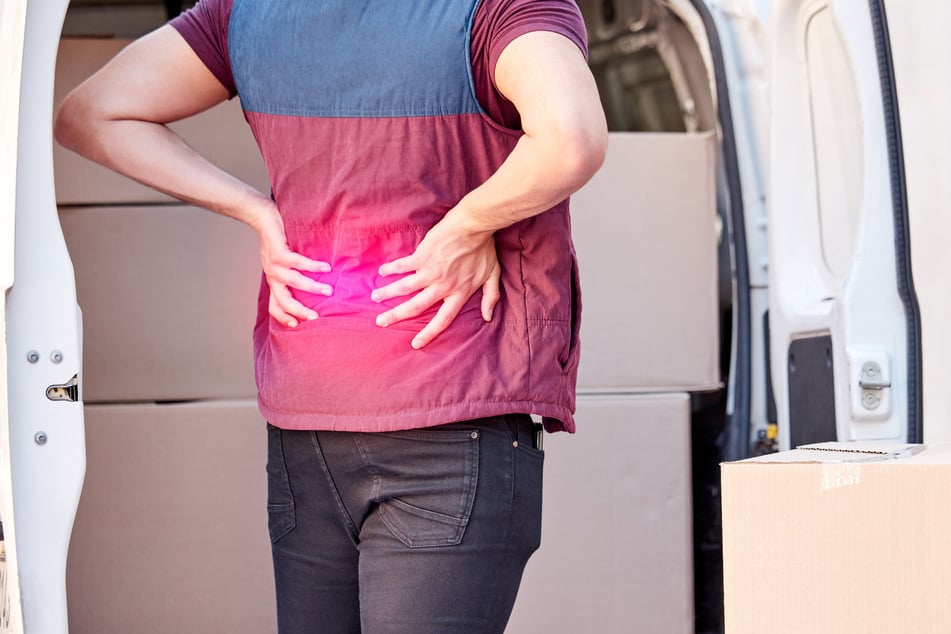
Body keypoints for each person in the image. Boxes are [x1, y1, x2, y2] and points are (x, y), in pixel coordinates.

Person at [54, 0, 607, 631]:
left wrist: (255, 211)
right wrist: (467, 223)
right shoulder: (499, 10)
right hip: (453, 412)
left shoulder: (245, 13)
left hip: (307, 416)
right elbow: (570, 139)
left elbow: (92, 113)